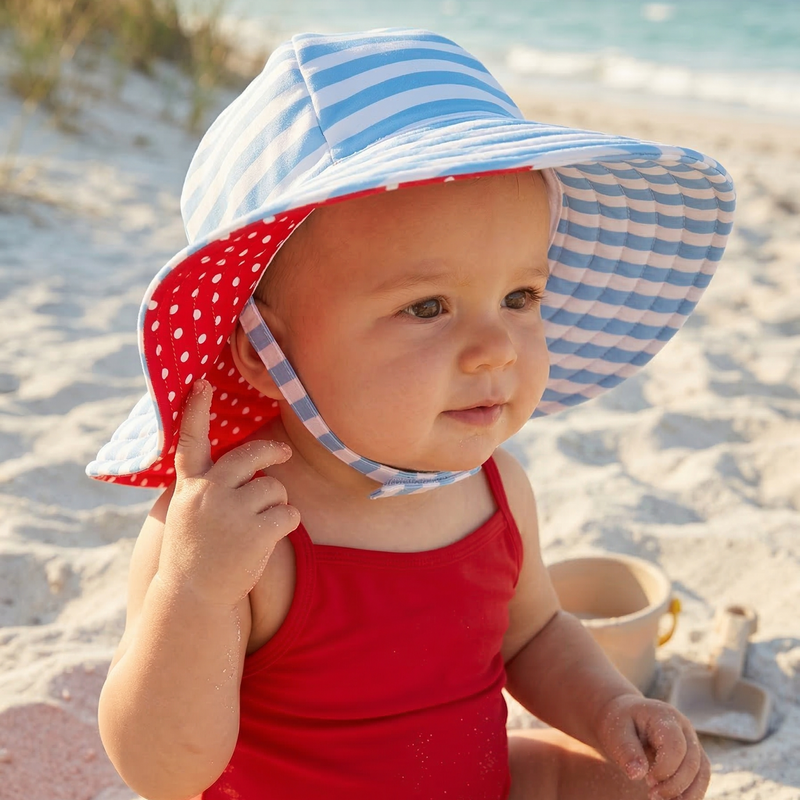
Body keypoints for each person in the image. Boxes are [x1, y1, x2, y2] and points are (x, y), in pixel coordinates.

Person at [89, 28, 735, 800]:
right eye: (427, 307)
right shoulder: (229, 527)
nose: (496, 348)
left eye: (519, 297)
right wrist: (194, 592)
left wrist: (609, 706)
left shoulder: (494, 488)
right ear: (262, 351)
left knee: (631, 786)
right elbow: (161, 771)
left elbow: (531, 635)